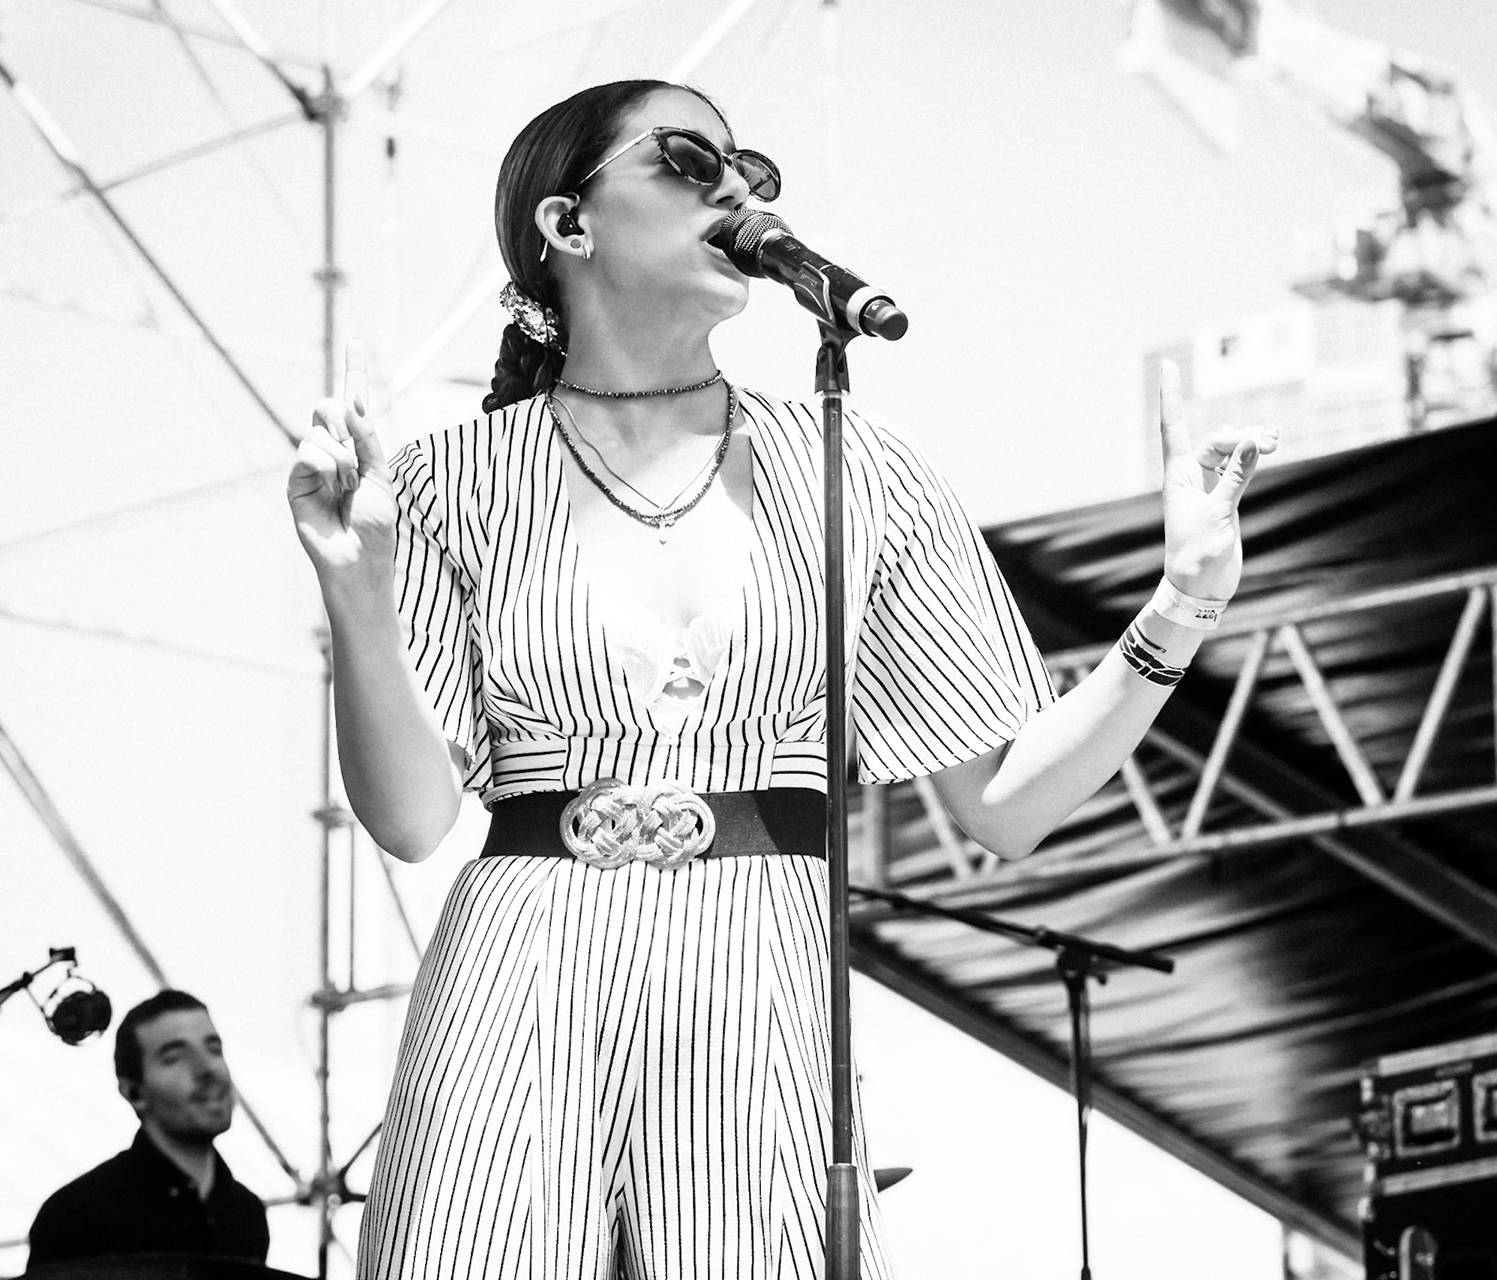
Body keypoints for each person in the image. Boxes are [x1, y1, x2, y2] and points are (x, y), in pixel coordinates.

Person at [287, 79, 1273, 1279]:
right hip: (520, 956)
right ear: (568, 225)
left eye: (753, 168)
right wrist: (355, 589)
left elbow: (1005, 804)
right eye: (691, 162)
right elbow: (411, 817)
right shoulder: (453, 480)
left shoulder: (860, 464)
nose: (741, 191)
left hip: (761, 965)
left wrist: (1187, 600)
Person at [26, 990, 269, 1270]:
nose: (207, 1069)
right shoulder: (77, 1215)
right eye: (174, 1057)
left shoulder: (245, 1213)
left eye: (213, 1049)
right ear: (134, 1092)